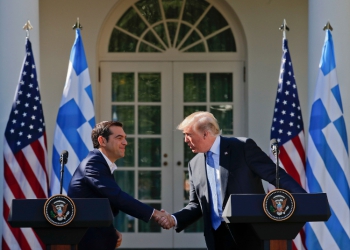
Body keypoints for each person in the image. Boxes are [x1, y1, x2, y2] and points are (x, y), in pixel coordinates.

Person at [159, 111, 306, 250]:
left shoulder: (241, 147)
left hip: (249, 234)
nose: (185, 140)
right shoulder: (194, 164)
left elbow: (275, 175)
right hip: (217, 238)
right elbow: (197, 204)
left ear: (205, 133)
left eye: (188, 135)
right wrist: (174, 219)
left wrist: (304, 200)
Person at [68, 121, 171, 250]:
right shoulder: (93, 164)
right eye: (119, 138)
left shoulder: (100, 163)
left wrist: (110, 229)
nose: (125, 142)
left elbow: (100, 205)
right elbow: (117, 197)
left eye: (125, 138)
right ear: (102, 140)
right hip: (87, 241)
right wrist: (154, 213)